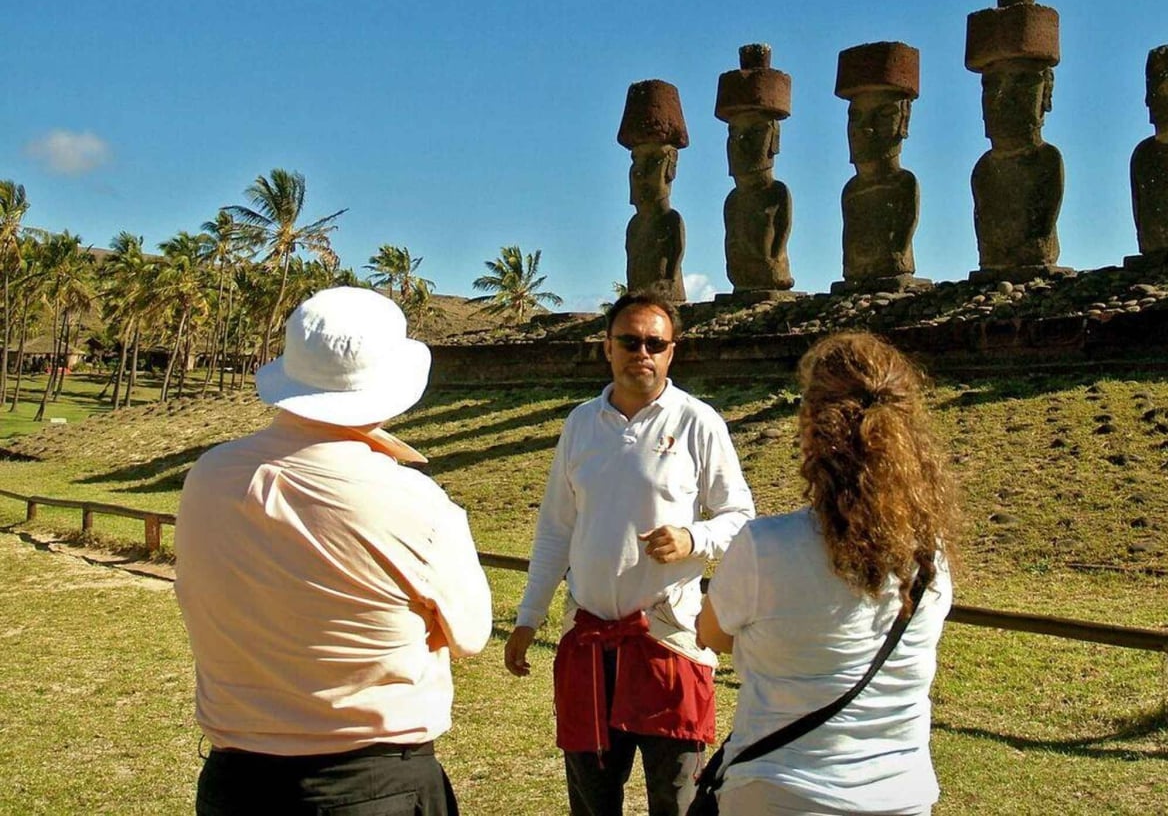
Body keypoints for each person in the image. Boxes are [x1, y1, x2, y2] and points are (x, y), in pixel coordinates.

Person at [175, 286, 492, 816]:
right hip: (371, 783)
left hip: (237, 782)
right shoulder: (414, 501)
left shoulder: (209, 476)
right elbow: (472, 633)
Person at [505, 289, 755, 816]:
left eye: (654, 343)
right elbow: (555, 529)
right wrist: (529, 617)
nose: (642, 352)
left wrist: (695, 538)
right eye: (630, 341)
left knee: (675, 800)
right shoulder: (580, 424)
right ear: (607, 348)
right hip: (589, 641)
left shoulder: (697, 421)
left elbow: (740, 518)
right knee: (593, 804)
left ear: (671, 352)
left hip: (667, 641)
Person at [697, 332, 957, 816]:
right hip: (902, 794)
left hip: (779, 790)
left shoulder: (763, 548)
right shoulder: (931, 558)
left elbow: (709, 633)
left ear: (812, 428)